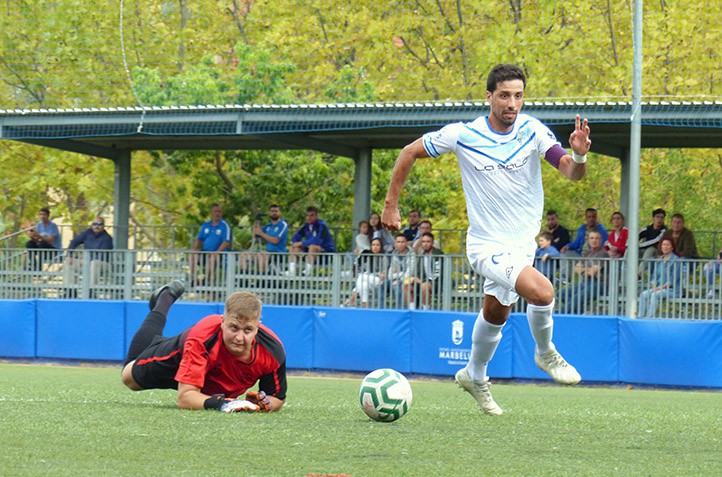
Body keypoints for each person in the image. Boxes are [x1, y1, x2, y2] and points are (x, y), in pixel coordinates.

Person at [382, 64, 590, 415]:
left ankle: (474, 374)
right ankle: (545, 352)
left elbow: (571, 171)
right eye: (505, 95)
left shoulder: (532, 130)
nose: (512, 103)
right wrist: (391, 204)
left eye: (519, 96)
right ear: (489, 97)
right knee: (543, 292)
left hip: (521, 245)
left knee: (496, 312)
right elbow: (408, 152)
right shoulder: (463, 134)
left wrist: (580, 154)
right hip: (486, 246)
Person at [121, 281, 286, 412]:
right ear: (222, 321)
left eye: (248, 330)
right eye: (233, 328)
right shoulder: (203, 338)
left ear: (257, 327)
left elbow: (276, 398)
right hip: (178, 360)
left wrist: (262, 405)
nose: (239, 337)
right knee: (128, 377)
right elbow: (185, 399)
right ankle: (164, 300)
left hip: (209, 381)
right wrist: (223, 404)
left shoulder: (272, 350)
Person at [62, 216, 114, 298]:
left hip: (103, 263)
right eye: (94, 224)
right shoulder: (88, 233)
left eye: (99, 224)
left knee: (94, 263)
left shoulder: (107, 238)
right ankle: (70, 290)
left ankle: (91, 291)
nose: (96, 226)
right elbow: (74, 242)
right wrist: (69, 255)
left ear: (104, 226)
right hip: (86, 262)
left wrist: (88, 259)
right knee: (68, 263)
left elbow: (102, 255)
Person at [559, 231, 609, 314]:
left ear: (601, 240)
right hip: (585, 283)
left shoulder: (603, 253)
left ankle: (561, 314)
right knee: (562, 293)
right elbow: (575, 269)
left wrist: (583, 270)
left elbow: (592, 272)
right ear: (588, 240)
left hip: (599, 284)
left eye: (596, 238)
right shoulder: (588, 254)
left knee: (576, 299)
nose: (594, 240)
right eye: (592, 238)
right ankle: (580, 313)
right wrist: (587, 269)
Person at [637, 237, 683, 318]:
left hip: (672, 290)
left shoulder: (676, 260)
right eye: (664, 245)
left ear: (672, 247)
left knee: (655, 295)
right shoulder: (659, 260)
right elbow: (654, 276)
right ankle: (640, 317)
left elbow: (674, 278)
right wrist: (654, 286)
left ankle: (649, 318)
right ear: (661, 247)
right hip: (658, 288)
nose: (665, 247)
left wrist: (661, 287)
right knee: (643, 294)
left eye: (668, 245)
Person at [189, 204, 231, 286]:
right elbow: (198, 239)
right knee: (192, 256)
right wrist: (194, 251)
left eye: (219, 211)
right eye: (215, 211)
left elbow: (226, 242)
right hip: (205, 252)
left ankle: (207, 280)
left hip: (219, 254)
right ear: (211, 213)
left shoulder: (224, 226)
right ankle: (194, 279)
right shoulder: (206, 225)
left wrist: (217, 252)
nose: (217, 213)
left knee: (212, 258)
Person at [287, 206, 336, 276]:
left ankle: (307, 272)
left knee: (313, 247)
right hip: (311, 254)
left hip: (325, 254)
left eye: (312, 215)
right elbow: (296, 236)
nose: (309, 218)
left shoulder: (322, 226)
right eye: (307, 215)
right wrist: (294, 243)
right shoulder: (306, 226)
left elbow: (317, 241)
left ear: (316, 216)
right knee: (294, 248)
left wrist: (301, 243)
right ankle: (291, 271)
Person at [404, 232, 443, 310]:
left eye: (428, 242)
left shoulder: (438, 255)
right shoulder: (421, 255)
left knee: (424, 285)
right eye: (423, 241)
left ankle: (426, 310)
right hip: (423, 282)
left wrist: (422, 281)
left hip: (437, 283)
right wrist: (414, 279)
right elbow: (418, 271)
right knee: (406, 285)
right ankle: (412, 310)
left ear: (432, 243)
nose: (425, 244)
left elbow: (438, 274)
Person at [250, 204, 289, 273]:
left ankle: (263, 278)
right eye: (272, 211)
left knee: (261, 255)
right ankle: (243, 278)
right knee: (244, 255)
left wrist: (261, 233)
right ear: (269, 213)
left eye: (276, 211)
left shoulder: (283, 225)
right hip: (268, 253)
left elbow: (275, 241)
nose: (274, 213)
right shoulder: (268, 226)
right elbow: (256, 237)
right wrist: (257, 223)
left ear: (280, 212)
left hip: (278, 254)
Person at [354, 238, 389, 308]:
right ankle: (365, 305)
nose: (375, 247)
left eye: (377, 245)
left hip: (380, 281)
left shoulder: (384, 257)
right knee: (364, 284)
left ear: (381, 246)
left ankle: (352, 299)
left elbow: (384, 273)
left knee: (361, 277)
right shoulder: (369, 257)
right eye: (373, 245)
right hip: (370, 280)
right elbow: (367, 271)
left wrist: (377, 273)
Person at [386, 233, 416, 308]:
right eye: (398, 242)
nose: (400, 244)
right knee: (380, 284)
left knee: (396, 285)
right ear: (395, 244)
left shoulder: (412, 254)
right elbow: (390, 275)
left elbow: (410, 272)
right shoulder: (394, 254)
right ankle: (380, 309)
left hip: (409, 280)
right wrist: (401, 274)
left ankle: (399, 309)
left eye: (402, 242)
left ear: (406, 243)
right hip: (395, 279)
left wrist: (398, 276)